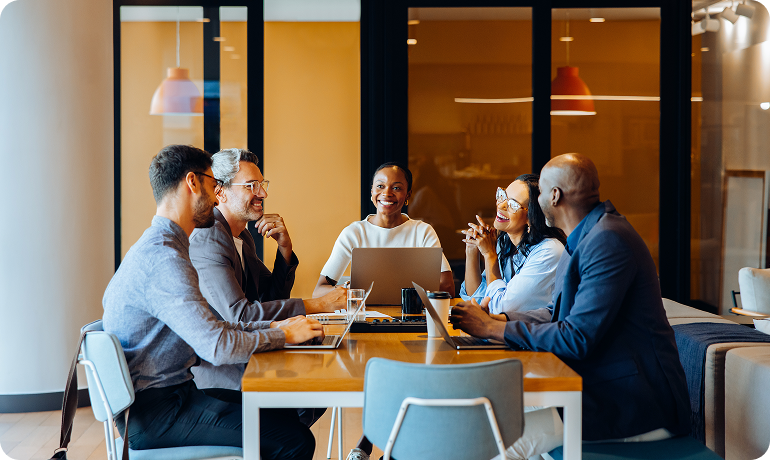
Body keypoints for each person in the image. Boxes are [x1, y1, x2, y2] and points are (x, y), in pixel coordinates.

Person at [450, 153, 691, 459]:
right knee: (491, 420)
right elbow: (556, 313)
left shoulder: (607, 241)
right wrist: (500, 317)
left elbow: (576, 337)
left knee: (497, 444)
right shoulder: (585, 236)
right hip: (603, 389)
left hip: (634, 403)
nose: (535, 202)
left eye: (538, 194)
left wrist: (494, 329)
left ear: (554, 195)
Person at [102, 144, 323, 458]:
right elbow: (217, 345)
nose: (218, 192)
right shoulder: (164, 258)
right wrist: (283, 334)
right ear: (193, 183)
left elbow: (217, 326)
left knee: (286, 417)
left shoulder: (162, 246)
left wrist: (278, 325)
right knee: (294, 439)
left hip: (172, 397)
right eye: (212, 183)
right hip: (156, 415)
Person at [189, 148, 346, 391]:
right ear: (219, 192)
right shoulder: (210, 238)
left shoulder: (241, 236)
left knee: (317, 382)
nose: (262, 193)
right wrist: (319, 304)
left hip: (251, 352)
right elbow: (241, 316)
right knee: (310, 390)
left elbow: (271, 300)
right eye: (251, 185)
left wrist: (285, 249)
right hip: (221, 372)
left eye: (261, 184)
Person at [313, 162, 455, 297]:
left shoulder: (422, 232)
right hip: (365, 318)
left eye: (396, 188)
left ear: (408, 195)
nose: (386, 193)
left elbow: (447, 286)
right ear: (372, 192)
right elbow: (319, 290)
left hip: (411, 316)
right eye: (380, 186)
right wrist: (351, 291)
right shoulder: (353, 233)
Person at [459, 174, 565, 318]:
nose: (501, 205)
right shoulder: (506, 244)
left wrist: (490, 256)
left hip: (541, 337)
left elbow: (498, 308)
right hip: (510, 334)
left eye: (513, 204)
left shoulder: (549, 251)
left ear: (531, 217)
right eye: (502, 196)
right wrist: (472, 249)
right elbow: (476, 300)